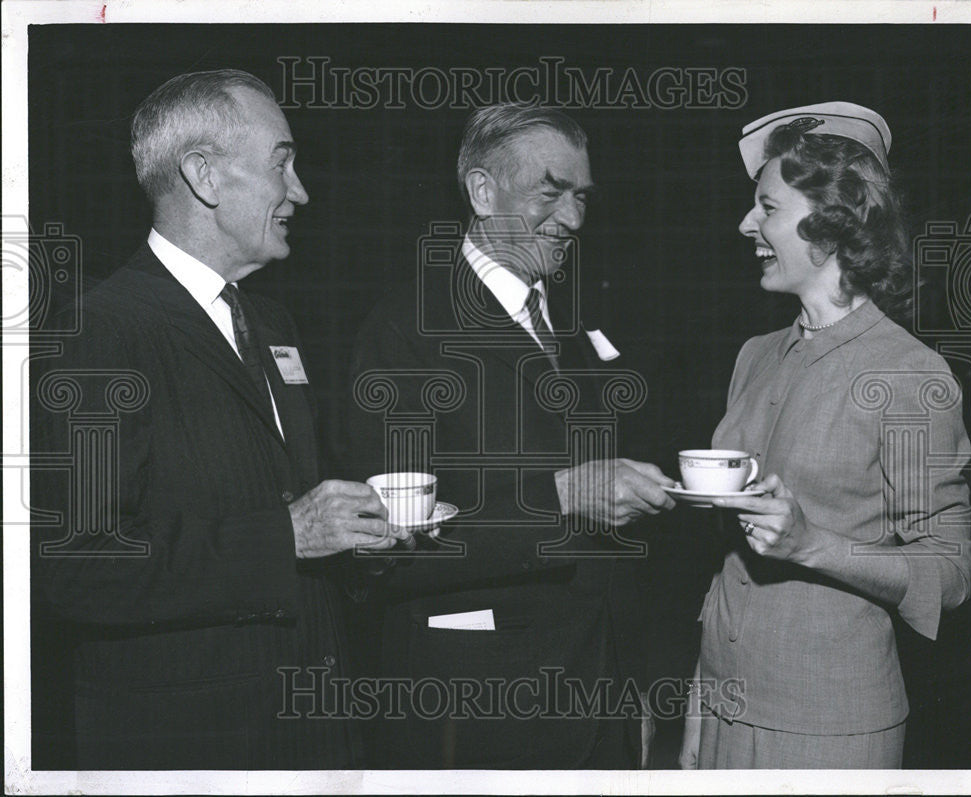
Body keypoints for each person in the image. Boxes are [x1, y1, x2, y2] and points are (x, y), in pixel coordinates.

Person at [31, 69, 410, 769]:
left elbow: (284, 503)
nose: (301, 191)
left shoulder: (270, 321)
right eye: (282, 162)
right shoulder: (100, 332)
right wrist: (286, 536)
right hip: (190, 745)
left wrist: (355, 538)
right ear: (204, 176)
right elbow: (76, 565)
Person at [346, 104, 676, 768]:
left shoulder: (584, 325)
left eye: (581, 196)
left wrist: (631, 683)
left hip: (598, 700)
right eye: (550, 192)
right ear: (481, 191)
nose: (575, 219)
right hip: (480, 711)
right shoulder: (406, 328)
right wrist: (559, 496)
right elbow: (386, 547)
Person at [678, 102, 971, 769]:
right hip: (725, 706)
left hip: (830, 727)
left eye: (768, 208)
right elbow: (726, 568)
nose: (746, 224)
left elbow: (950, 570)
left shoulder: (905, 374)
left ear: (834, 222)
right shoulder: (754, 355)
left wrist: (814, 544)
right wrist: (699, 712)